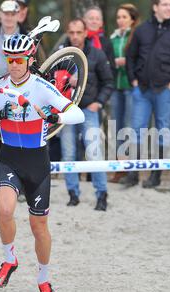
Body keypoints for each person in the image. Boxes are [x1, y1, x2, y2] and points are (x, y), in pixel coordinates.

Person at [0, 33, 85, 292]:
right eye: (9, 59)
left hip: (37, 163)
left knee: (39, 227)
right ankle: (9, 259)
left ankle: (43, 276)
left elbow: (77, 113)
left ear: (29, 59)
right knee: (4, 210)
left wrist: (54, 114)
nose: (13, 64)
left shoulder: (41, 87)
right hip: (9, 159)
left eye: (18, 59)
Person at [123, 0, 170, 188]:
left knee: (163, 132)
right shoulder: (141, 30)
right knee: (137, 130)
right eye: (165, 4)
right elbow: (130, 56)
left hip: (165, 90)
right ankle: (133, 174)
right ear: (155, 7)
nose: (169, 8)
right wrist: (133, 80)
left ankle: (156, 176)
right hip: (143, 90)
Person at [57, 18, 114, 211]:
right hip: (66, 110)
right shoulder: (60, 55)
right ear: (67, 32)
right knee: (68, 154)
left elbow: (108, 82)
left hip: (88, 109)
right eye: (71, 32)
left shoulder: (96, 54)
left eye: (78, 32)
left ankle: (102, 194)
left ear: (85, 33)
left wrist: (98, 103)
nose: (74, 36)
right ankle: (73, 194)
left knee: (94, 152)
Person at [109, 3, 140, 183]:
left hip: (130, 86)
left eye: (124, 17)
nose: (121, 20)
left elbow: (138, 57)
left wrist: (126, 62)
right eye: (119, 17)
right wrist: (114, 62)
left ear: (132, 20)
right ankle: (119, 167)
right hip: (116, 87)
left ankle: (131, 168)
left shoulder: (135, 36)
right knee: (117, 127)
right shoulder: (113, 37)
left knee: (129, 127)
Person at [83, 6, 116, 76]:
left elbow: (112, 67)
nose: (94, 21)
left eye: (97, 19)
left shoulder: (107, 42)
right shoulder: (79, 40)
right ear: (84, 21)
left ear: (101, 23)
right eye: (91, 18)